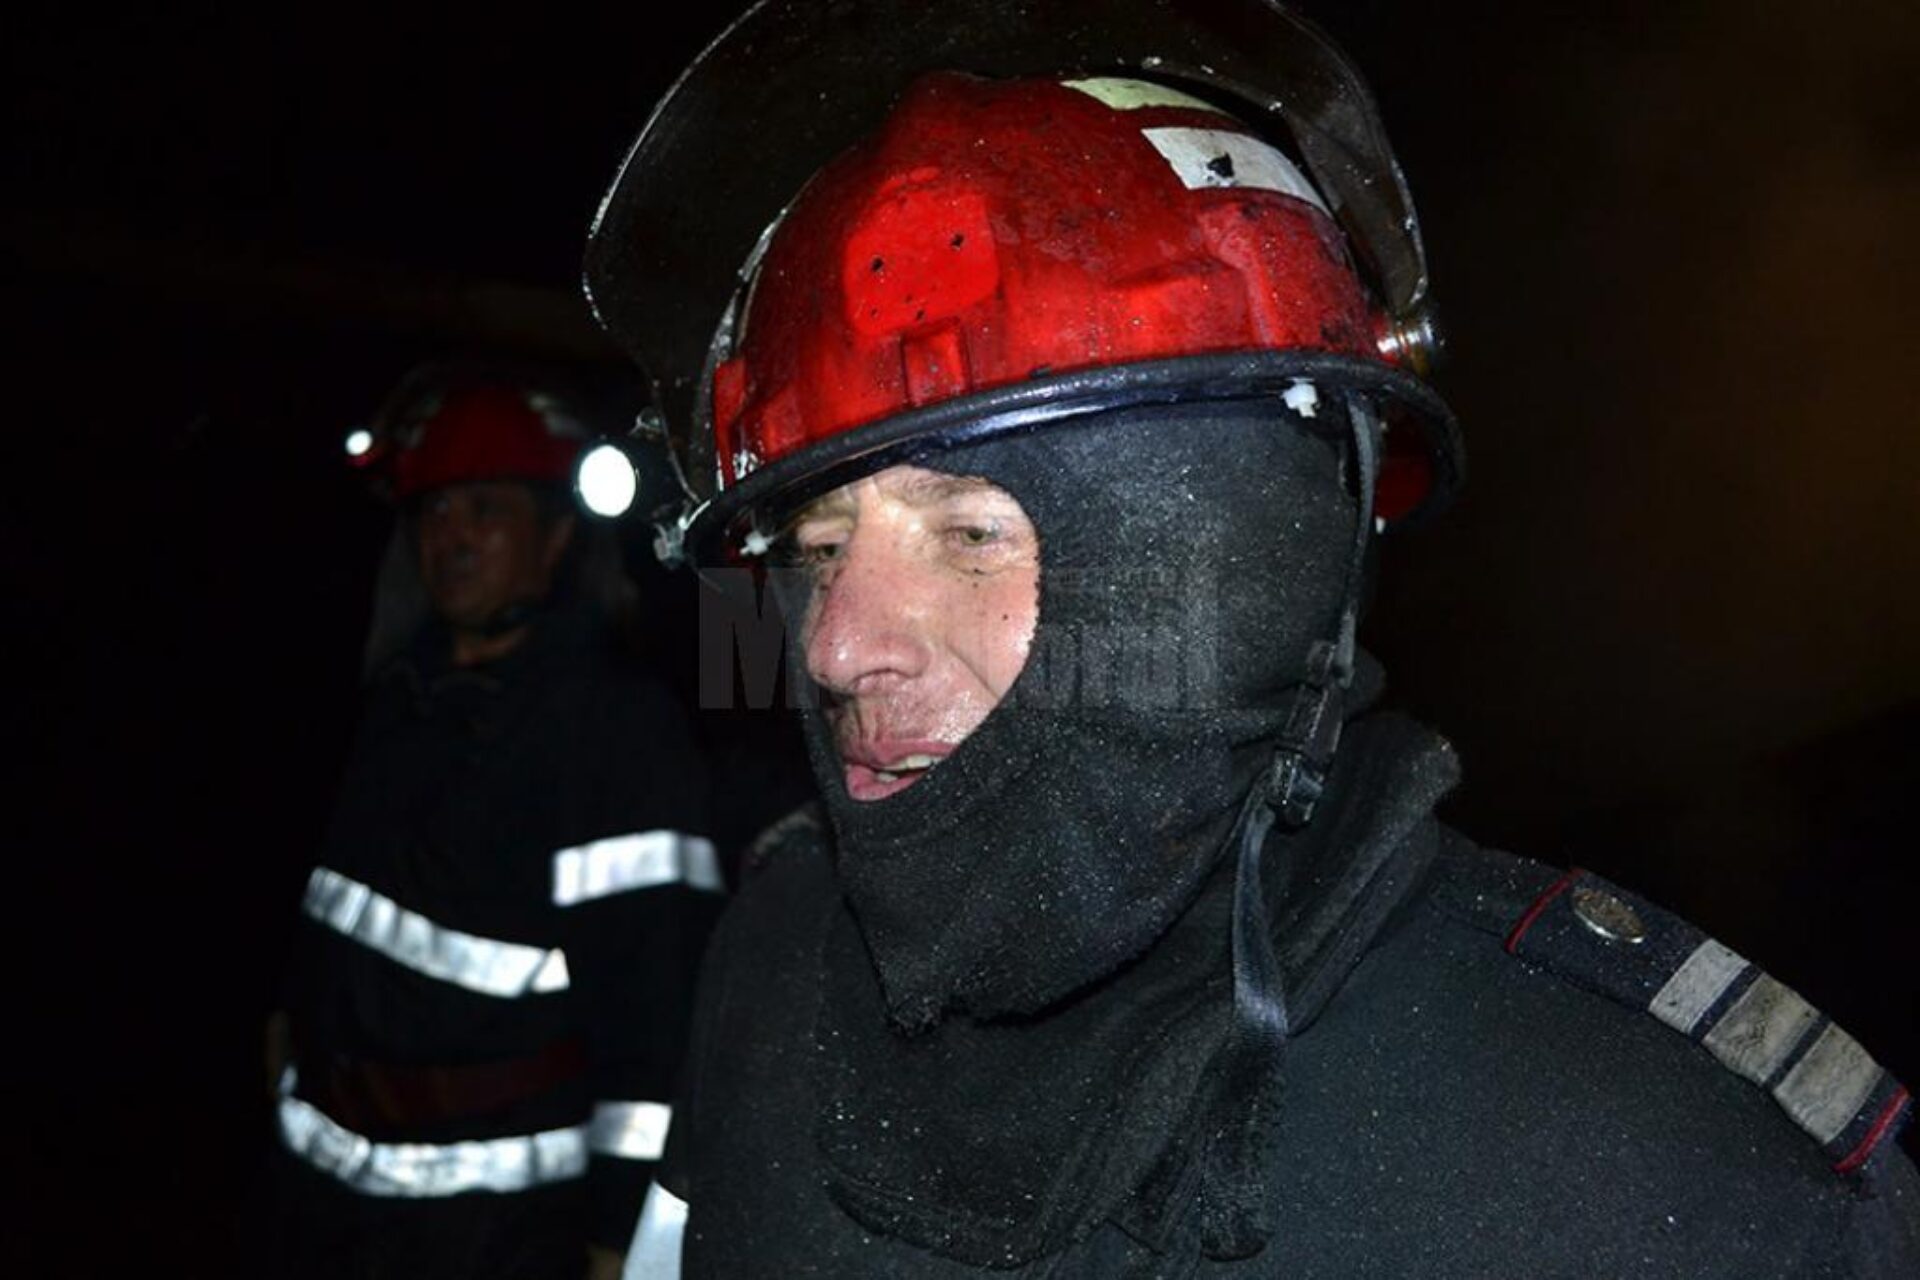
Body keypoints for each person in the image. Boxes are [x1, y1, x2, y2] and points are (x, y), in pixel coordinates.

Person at [582, 2, 1919, 1275]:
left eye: (972, 531)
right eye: (818, 550)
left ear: (1246, 564)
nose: (834, 645)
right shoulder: (770, 964)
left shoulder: (1666, 1192)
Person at [267, 363, 720, 1280]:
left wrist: (617, 1242)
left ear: (556, 535)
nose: (453, 537)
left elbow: (656, 1022)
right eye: (435, 512)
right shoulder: (401, 693)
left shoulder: (614, 731)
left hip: (493, 1232)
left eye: (485, 510)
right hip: (323, 1200)